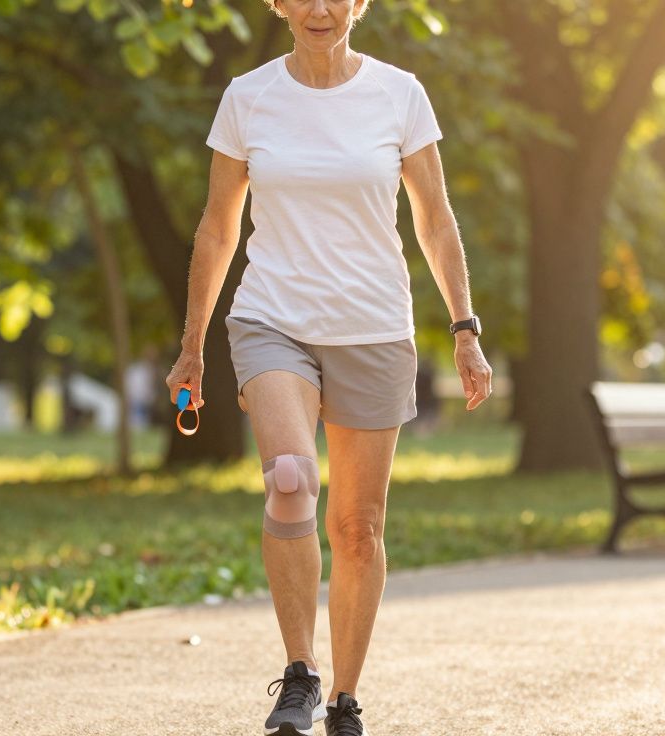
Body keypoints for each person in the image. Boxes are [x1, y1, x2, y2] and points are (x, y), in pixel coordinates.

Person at [164, 0, 492, 733]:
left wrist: (464, 328)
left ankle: (346, 697)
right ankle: (300, 675)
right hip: (272, 318)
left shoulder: (399, 93)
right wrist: (192, 344)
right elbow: (218, 229)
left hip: (374, 328)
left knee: (358, 528)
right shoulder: (247, 98)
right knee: (290, 478)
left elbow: (435, 220)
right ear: (278, 4)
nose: (320, 7)